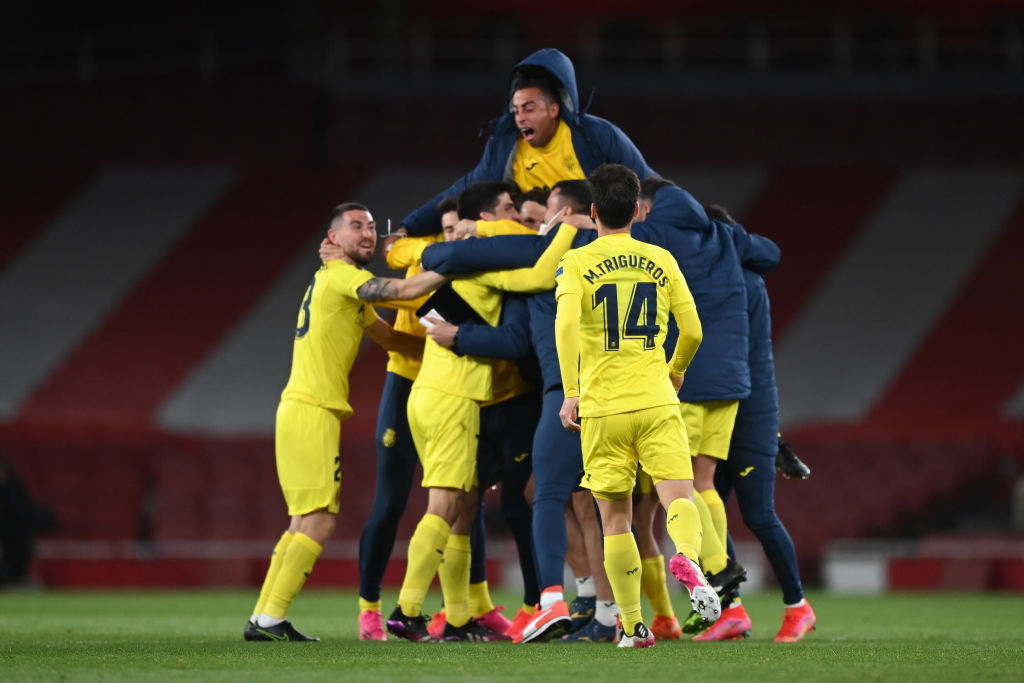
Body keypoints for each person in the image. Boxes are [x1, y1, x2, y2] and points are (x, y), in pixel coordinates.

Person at [245, 202, 446, 643]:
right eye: (357, 227)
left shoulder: (337, 282)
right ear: (332, 239)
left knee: (302, 522)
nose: (369, 234)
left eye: (373, 227)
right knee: (318, 522)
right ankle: (269, 618)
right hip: (312, 409)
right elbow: (404, 292)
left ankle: (264, 617)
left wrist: (453, 348)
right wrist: (455, 265)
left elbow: (392, 339)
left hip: (302, 407)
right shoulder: (343, 278)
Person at [385, 208, 580, 643]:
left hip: (427, 394)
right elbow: (541, 274)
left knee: (459, 510)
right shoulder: (491, 275)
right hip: (454, 398)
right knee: (445, 505)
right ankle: (407, 609)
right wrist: (568, 224)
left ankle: (457, 617)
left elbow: (421, 311)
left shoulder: (448, 278)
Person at [551, 163, 719, 649]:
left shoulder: (578, 262)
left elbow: (564, 327)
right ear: (638, 211)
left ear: (595, 211)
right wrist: (677, 368)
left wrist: (570, 390)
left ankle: (631, 625)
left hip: (603, 407)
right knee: (679, 497)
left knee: (615, 520)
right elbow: (693, 331)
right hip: (656, 399)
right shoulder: (661, 259)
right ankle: (686, 554)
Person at [690, 205, 816, 644]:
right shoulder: (738, 278)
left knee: (758, 514)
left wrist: (772, 435)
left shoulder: (738, 282)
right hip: (727, 403)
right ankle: (732, 609)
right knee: (708, 506)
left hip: (747, 409)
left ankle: (798, 606)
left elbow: (741, 360)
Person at [399, 48, 657, 237]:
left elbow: (648, 186)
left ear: (554, 110)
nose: (520, 117)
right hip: (533, 249)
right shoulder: (505, 147)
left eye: (529, 108)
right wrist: (408, 227)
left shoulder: (596, 136)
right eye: (516, 109)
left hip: (591, 240)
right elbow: (462, 190)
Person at [355, 197, 452, 641]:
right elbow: (412, 316)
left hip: (450, 389)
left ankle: (462, 610)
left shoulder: (472, 252)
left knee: (460, 500)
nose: (458, 231)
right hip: (408, 383)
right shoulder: (422, 253)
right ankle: (370, 607)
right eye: (450, 225)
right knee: (391, 503)